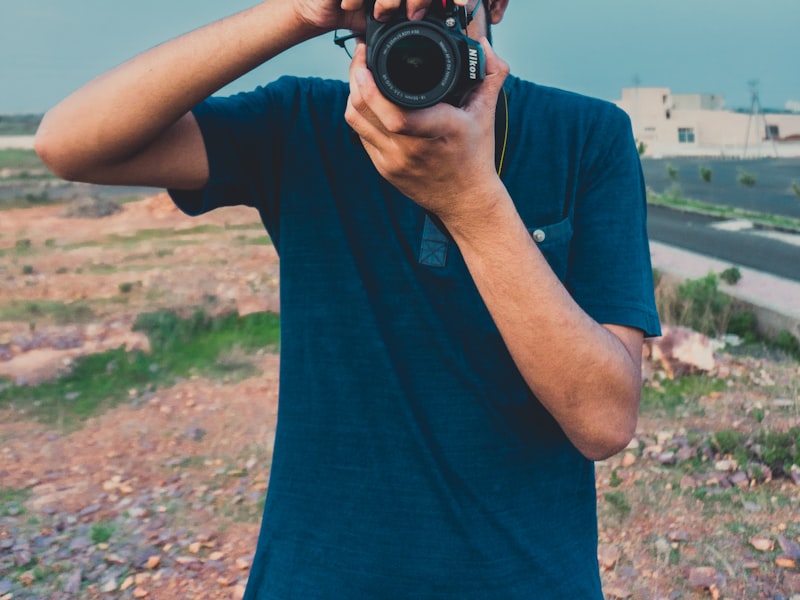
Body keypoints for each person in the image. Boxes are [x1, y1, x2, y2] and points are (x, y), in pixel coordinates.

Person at [35, 0, 661, 597]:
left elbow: (603, 421)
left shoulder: (587, 135)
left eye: (441, 16)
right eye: (386, 19)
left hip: (524, 580)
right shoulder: (302, 124)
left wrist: (471, 202)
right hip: (318, 577)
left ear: (495, 6)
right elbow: (67, 144)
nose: (416, 44)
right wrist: (300, 13)